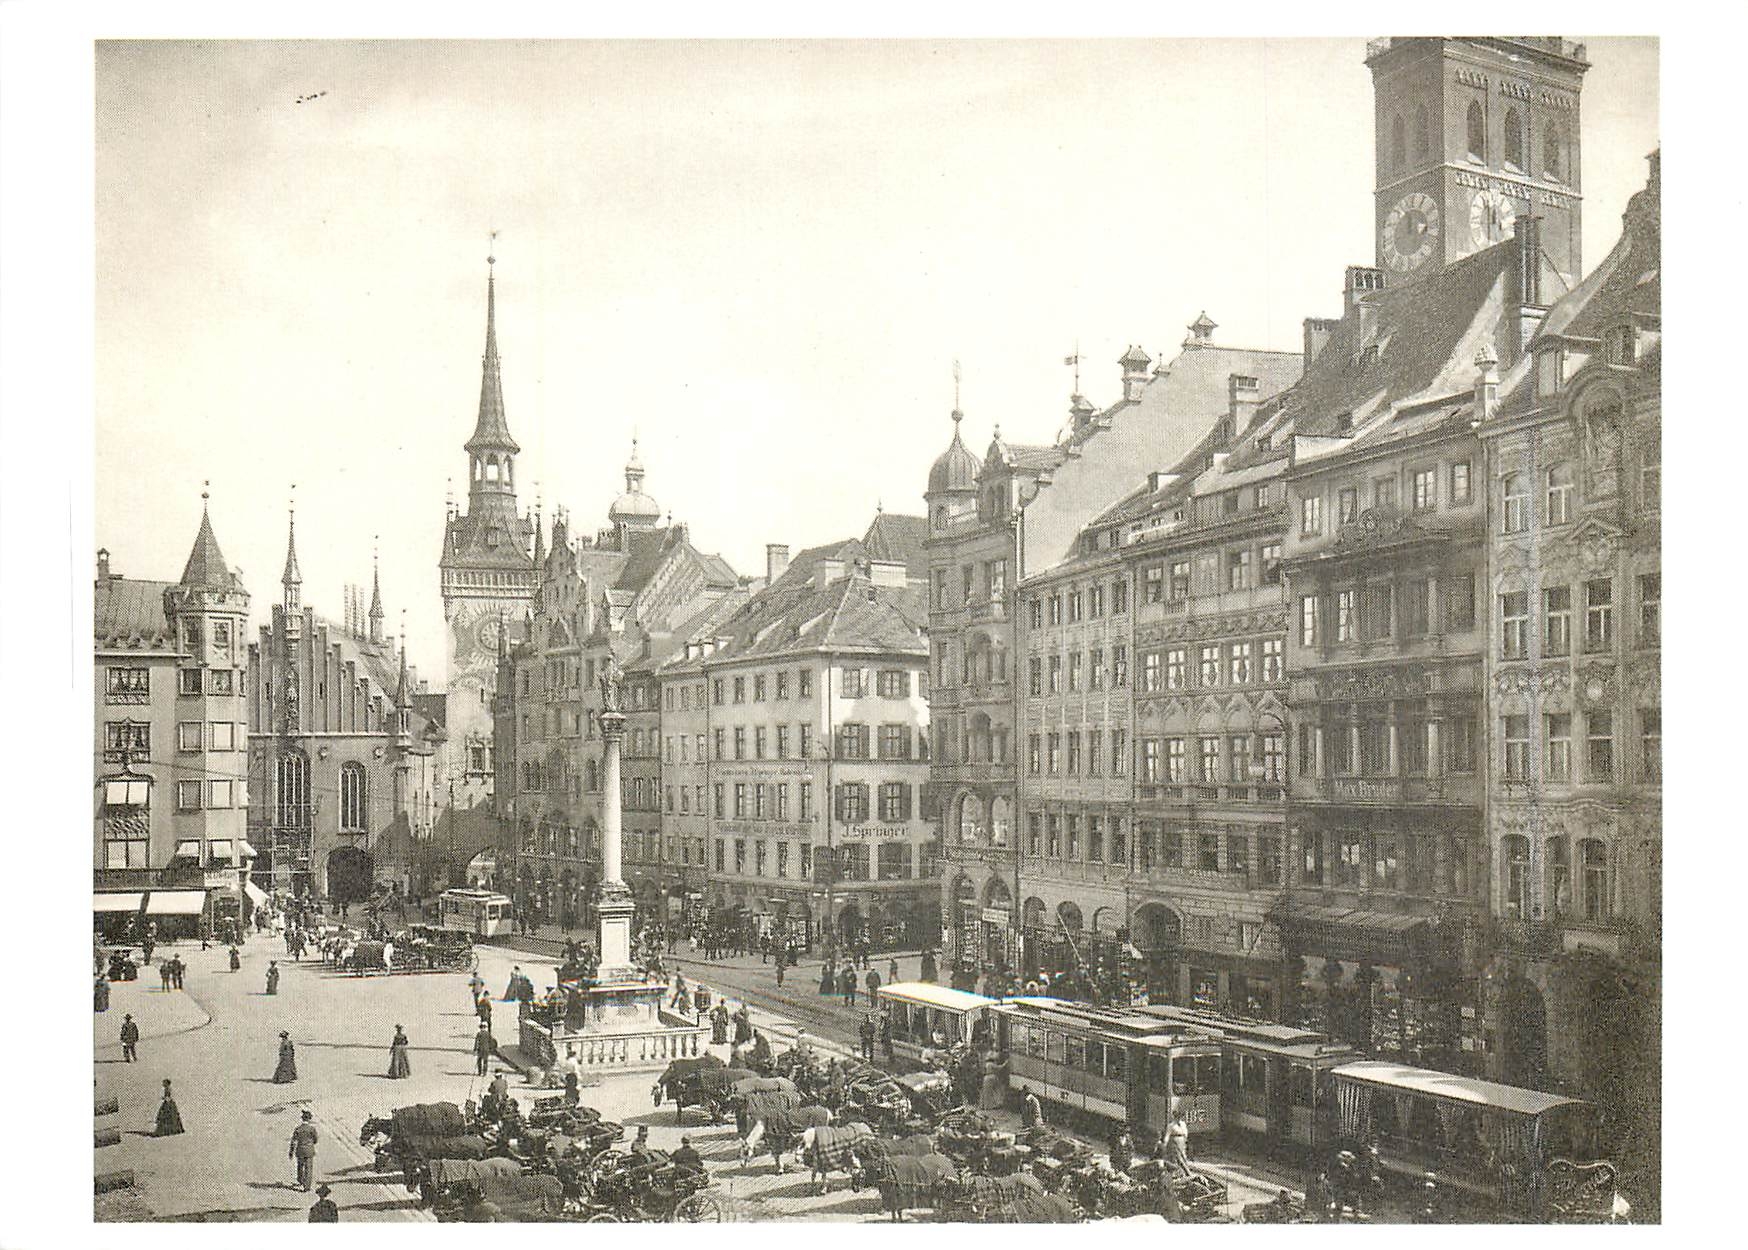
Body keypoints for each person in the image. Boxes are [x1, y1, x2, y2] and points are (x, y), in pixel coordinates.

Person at [290, 1109, 319, 1191]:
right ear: (309, 1119)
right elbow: (315, 1140)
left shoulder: (298, 1129)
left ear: (302, 1119)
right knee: (308, 1168)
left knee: (300, 1166)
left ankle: (300, 1179)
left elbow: (293, 1141)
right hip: (309, 1151)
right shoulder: (312, 1129)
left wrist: (291, 1152)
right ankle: (307, 1186)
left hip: (300, 1150)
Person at [1160, 1112, 1191, 1178]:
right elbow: (1167, 1135)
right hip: (1175, 1141)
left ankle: (1183, 1173)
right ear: (1174, 1117)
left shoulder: (1183, 1124)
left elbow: (1185, 1132)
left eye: (1180, 1117)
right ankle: (1187, 1172)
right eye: (1177, 1117)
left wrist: (1185, 1140)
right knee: (1178, 1158)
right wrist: (1165, 1143)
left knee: (1184, 1156)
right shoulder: (1171, 1126)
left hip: (1182, 1141)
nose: (1179, 1118)